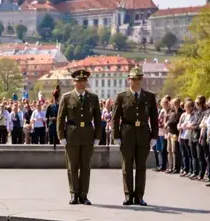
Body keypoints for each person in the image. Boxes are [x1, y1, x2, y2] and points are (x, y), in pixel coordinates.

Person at [112, 66, 159, 206]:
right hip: (127, 133)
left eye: (139, 79)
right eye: (134, 79)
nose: (137, 81)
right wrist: (116, 135)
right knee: (127, 166)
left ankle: (139, 196)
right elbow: (115, 118)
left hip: (144, 133)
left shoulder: (149, 96)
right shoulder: (121, 97)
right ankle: (128, 195)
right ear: (129, 80)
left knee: (141, 166)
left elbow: (154, 118)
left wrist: (154, 136)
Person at [56, 69, 101, 205]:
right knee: (72, 167)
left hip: (88, 134)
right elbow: (60, 119)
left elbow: (98, 119)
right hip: (72, 135)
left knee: (85, 167)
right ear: (73, 82)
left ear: (86, 82)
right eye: (78, 81)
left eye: (83, 81)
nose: (81, 84)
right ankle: (74, 194)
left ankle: (83, 195)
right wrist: (61, 136)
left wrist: (98, 137)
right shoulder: (66, 97)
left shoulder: (93, 98)